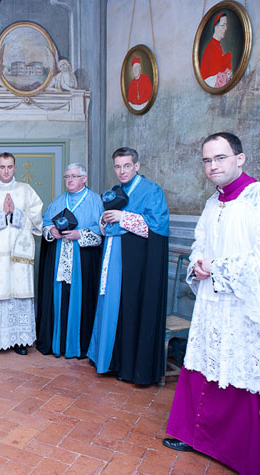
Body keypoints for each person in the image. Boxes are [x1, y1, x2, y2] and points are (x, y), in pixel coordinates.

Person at [163, 133, 259, 474]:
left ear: (240, 158)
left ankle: (238, 451)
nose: (212, 166)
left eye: (219, 158)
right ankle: (195, 435)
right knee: (203, 362)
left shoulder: (255, 199)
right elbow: (200, 242)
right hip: (210, 300)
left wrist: (216, 268)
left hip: (242, 307)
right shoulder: (212, 201)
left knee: (238, 368)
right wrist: (198, 263)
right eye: (206, 160)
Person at [87, 147, 169, 384]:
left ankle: (128, 365)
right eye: (117, 166)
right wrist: (104, 220)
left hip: (136, 263)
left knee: (129, 307)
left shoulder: (151, 190)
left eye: (126, 166)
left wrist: (123, 217)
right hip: (112, 256)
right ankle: (108, 360)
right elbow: (106, 226)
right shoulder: (115, 191)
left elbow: (156, 227)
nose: (121, 171)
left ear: (137, 166)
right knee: (110, 304)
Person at [0, 152, 43, 355]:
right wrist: (2, 214)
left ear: (15, 168)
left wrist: (16, 213)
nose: (6, 171)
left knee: (18, 294)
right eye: (2, 167)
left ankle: (20, 341)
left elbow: (36, 218)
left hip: (18, 257)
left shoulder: (26, 190)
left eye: (9, 167)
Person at [37, 164, 103, 358]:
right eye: (67, 177)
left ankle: (79, 346)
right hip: (58, 258)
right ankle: (56, 343)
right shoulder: (58, 201)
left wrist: (80, 234)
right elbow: (45, 223)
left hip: (84, 260)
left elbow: (103, 230)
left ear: (84, 178)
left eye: (74, 176)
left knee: (81, 300)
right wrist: (51, 231)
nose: (70, 180)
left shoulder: (95, 201)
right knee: (59, 298)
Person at [200, 13, 233, 88]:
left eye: (226, 25)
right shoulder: (212, 47)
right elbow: (214, 72)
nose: (226, 28)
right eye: (223, 25)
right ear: (216, 27)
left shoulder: (217, 46)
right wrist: (228, 56)